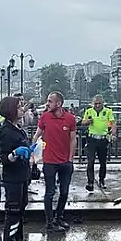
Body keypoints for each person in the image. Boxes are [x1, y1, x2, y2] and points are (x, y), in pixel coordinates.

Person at [0, 96, 32, 241]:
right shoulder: (6, 131)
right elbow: (3, 158)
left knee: (20, 214)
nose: (22, 109)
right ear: (11, 110)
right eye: (19, 107)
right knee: (12, 216)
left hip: (22, 177)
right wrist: (14, 154)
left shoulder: (18, 128)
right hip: (13, 180)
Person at [33, 91, 78, 232]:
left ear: (58, 104)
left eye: (50, 101)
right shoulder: (45, 117)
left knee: (64, 192)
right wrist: (33, 156)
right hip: (49, 161)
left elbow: (73, 139)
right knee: (49, 192)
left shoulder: (70, 118)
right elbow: (36, 136)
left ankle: (59, 216)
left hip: (65, 161)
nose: (47, 103)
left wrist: (70, 159)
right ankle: (49, 221)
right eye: (47, 101)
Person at [81, 95, 116, 192]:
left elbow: (112, 123)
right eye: (95, 103)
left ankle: (101, 180)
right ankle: (90, 182)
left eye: (99, 103)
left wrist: (113, 133)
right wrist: (88, 121)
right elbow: (83, 123)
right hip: (91, 139)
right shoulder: (89, 111)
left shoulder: (108, 111)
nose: (97, 105)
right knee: (90, 161)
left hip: (103, 140)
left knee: (102, 162)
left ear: (102, 103)